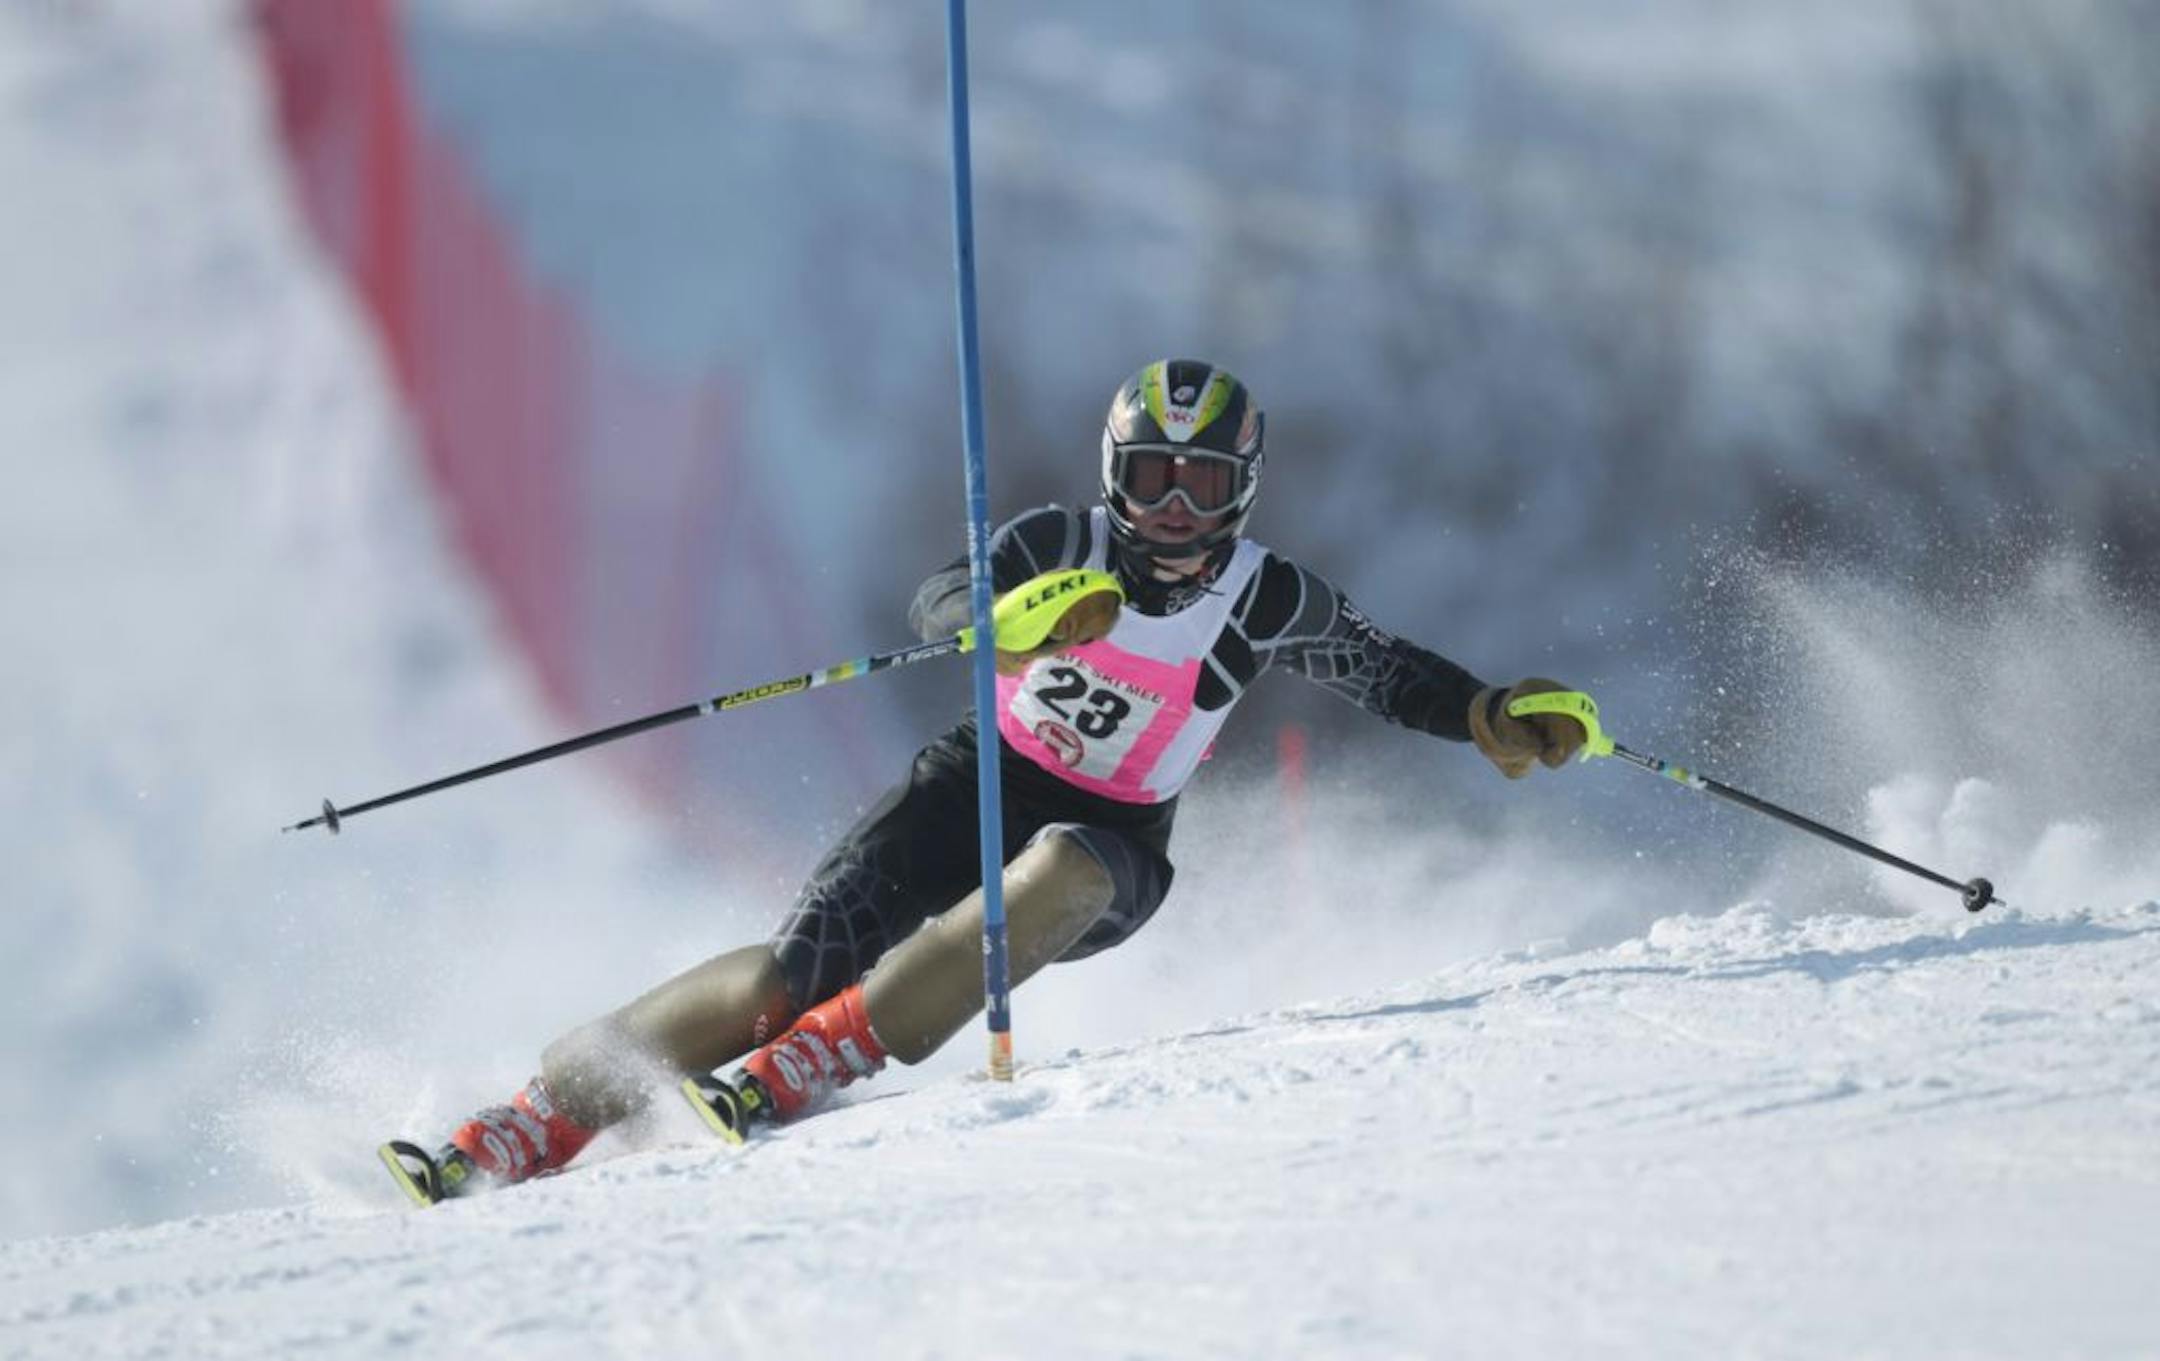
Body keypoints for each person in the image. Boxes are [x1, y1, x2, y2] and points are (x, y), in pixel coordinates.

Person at [401, 359, 1587, 1199]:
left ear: (1246, 488)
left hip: (1115, 842)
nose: (1176, 510)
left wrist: (1484, 709)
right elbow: (942, 602)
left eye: (1206, 484)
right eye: (1156, 477)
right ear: (1116, 472)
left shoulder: (1265, 594)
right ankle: (543, 1109)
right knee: (781, 974)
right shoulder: (1055, 541)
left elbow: (1382, 670)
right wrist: (1007, 627)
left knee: (1059, 868)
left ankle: (838, 1048)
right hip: (976, 779)